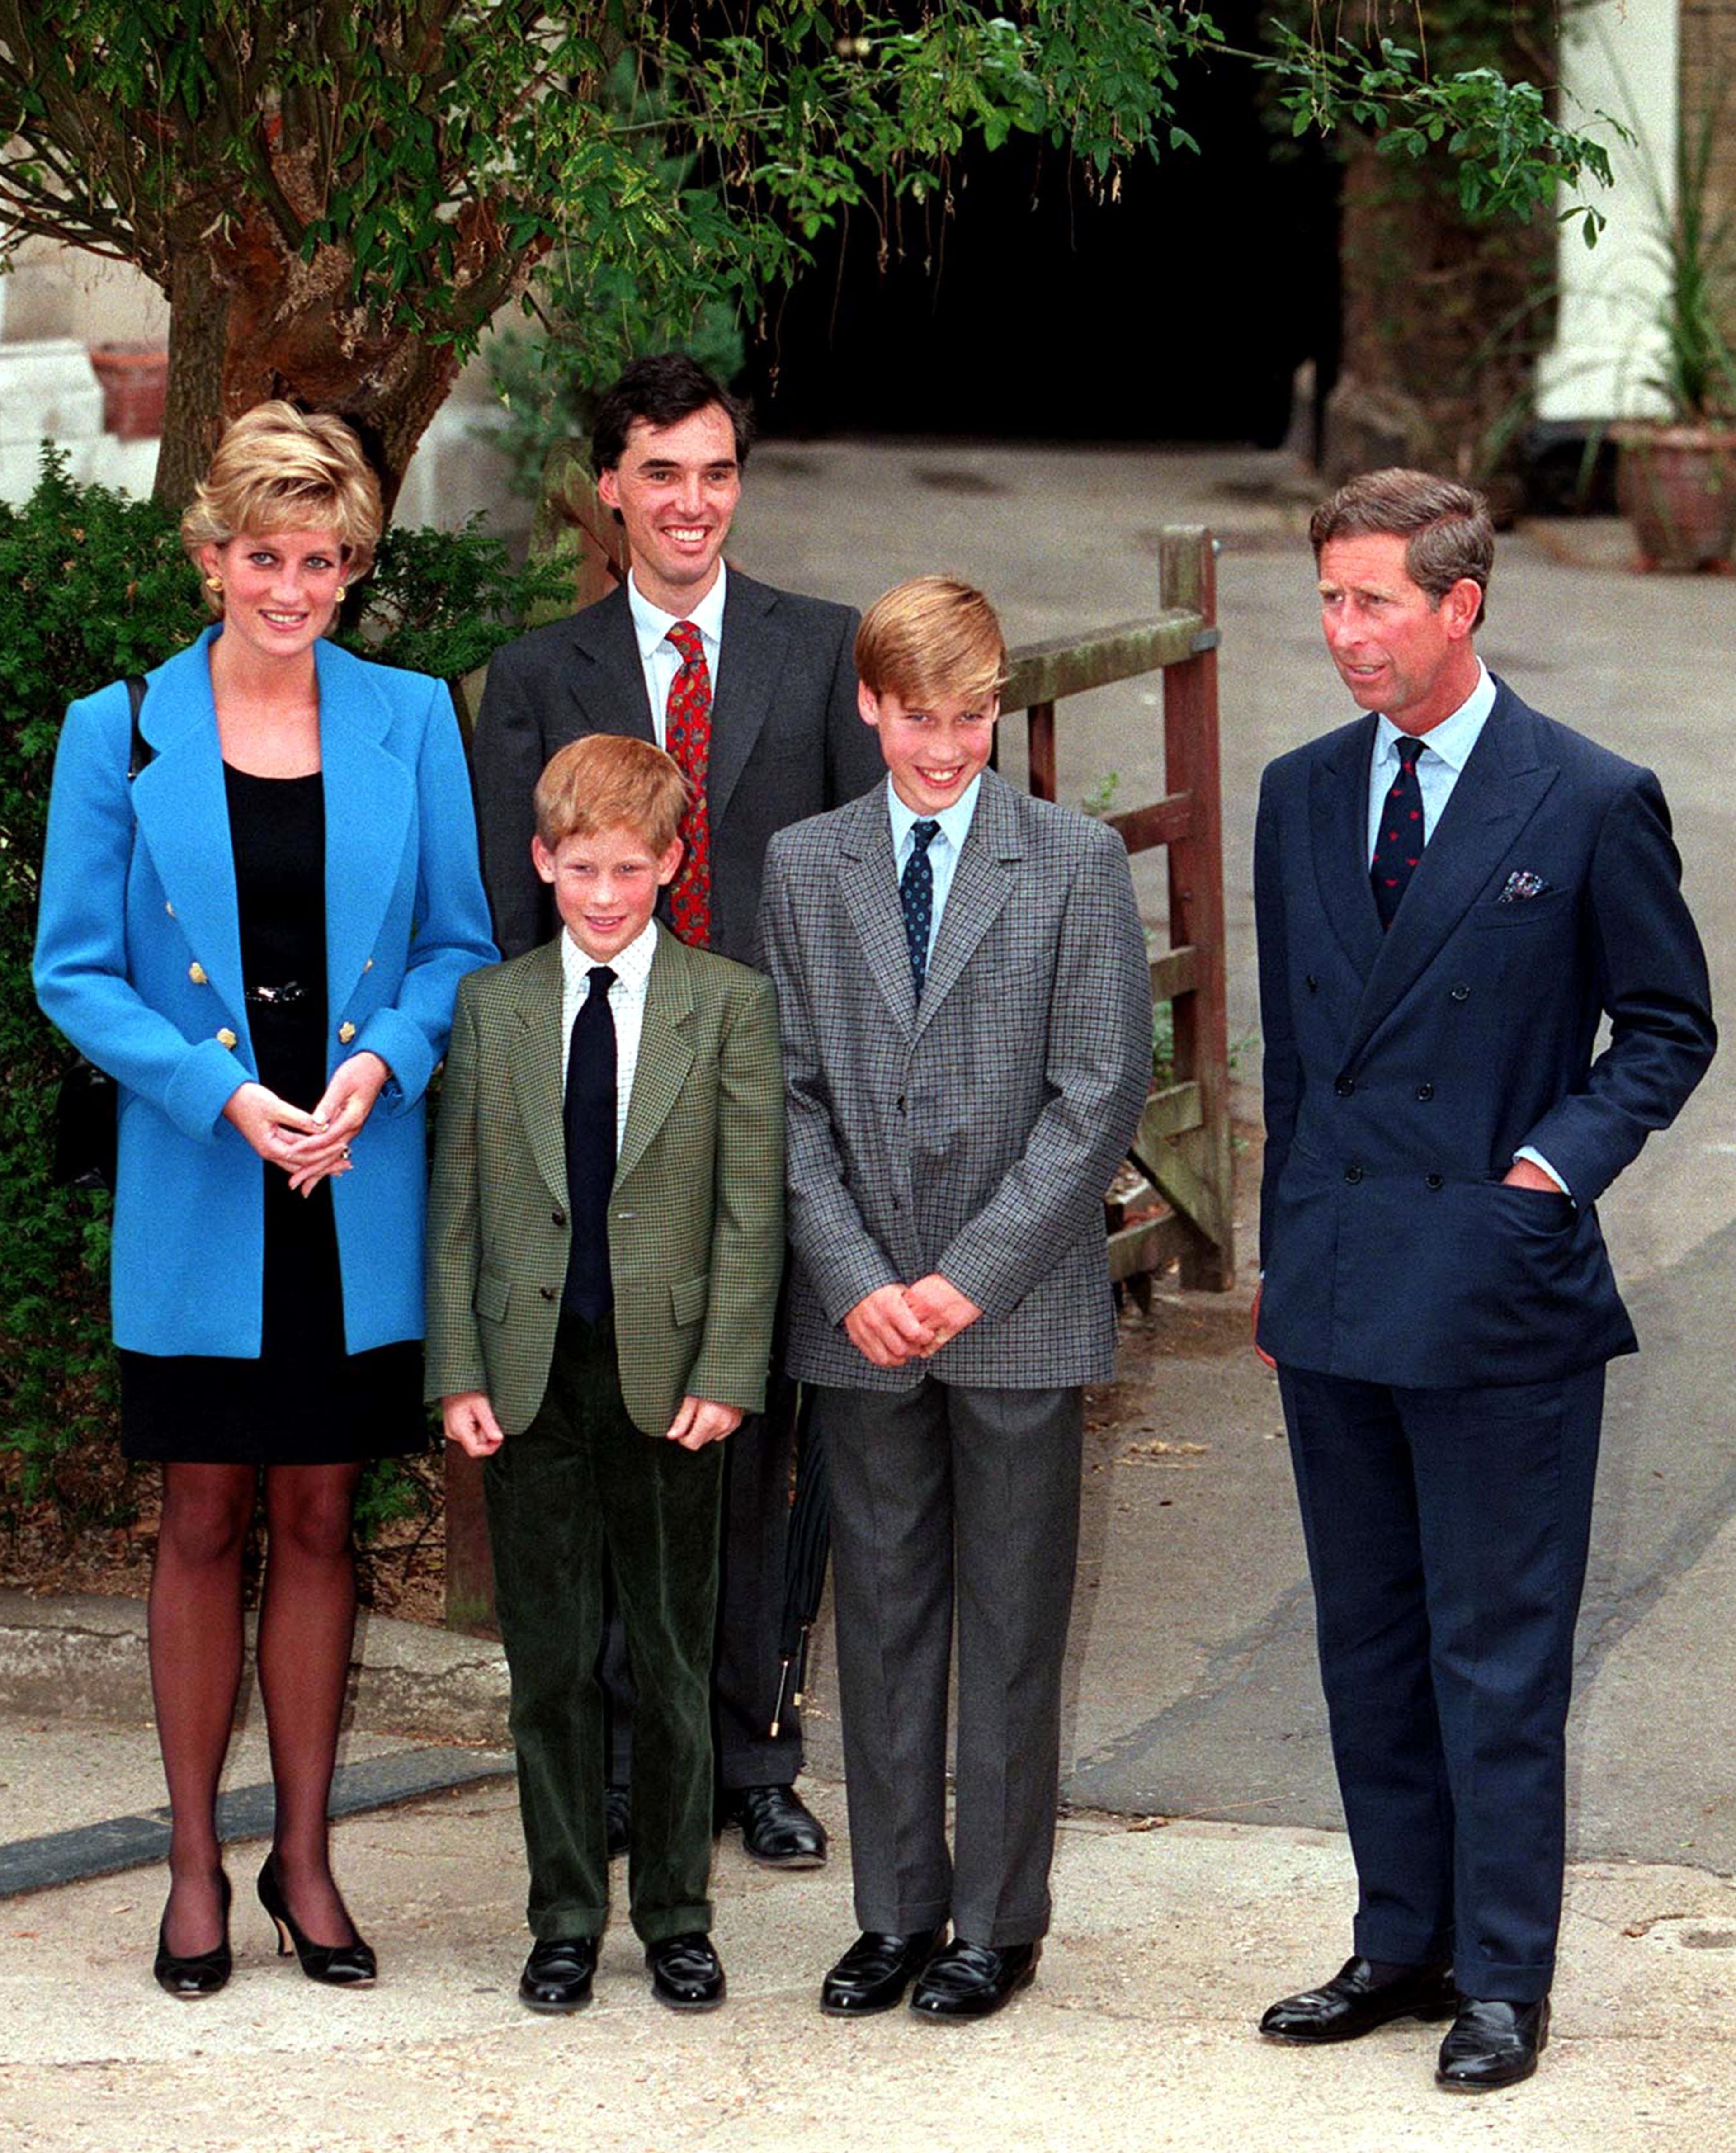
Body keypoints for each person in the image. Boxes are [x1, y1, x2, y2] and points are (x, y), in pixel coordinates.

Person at [1253, 469, 1715, 2091]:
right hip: (1340, 1279)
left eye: (1374, 600)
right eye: (1329, 600)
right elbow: (1301, 1059)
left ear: (1462, 605)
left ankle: (1504, 1975)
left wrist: (1549, 1168)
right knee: (1366, 1635)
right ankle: (1397, 1939)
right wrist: (1283, 1256)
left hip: (1500, 1291)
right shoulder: (1301, 790)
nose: (1343, 633)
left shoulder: (1586, 796)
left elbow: (1667, 1027)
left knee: (1496, 1647)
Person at [33, 401, 496, 1997]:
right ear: (210, 552)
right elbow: (73, 969)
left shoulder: (412, 716)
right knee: (202, 1516)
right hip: (202, 1177)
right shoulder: (124, 727)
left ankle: (304, 1856)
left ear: (354, 567)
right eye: (260, 555)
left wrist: (381, 1072)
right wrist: (219, 1093)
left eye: (321, 559)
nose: (289, 587)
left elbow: (455, 944)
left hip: (353, 1179)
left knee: (318, 1515)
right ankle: (187, 1862)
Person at [471, 352, 882, 1867]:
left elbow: (849, 892)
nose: (691, 503)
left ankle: (756, 1745)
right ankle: (639, 1756)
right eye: (662, 473)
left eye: (715, 472)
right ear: (612, 490)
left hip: (771, 1102)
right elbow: (522, 922)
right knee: (635, 1421)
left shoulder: (818, 646)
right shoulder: (537, 675)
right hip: (606, 1119)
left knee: (759, 1433)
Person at [758, 576, 1152, 2021]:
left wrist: (963, 1278)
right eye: (920, 717)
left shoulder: (1074, 858)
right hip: (858, 1312)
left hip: (1018, 1302)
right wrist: (861, 1278)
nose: (946, 746)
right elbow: (786, 1095)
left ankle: (996, 1918)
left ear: (1004, 706)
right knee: (880, 1610)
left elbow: (1101, 1093)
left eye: (974, 717)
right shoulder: (806, 865)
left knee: (1010, 1613)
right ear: (869, 705)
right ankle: (895, 1908)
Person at [425, 733, 786, 2013]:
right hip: (531, 1378)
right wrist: (456, 1367)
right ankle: (566, 1908)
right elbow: (456, 1203)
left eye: (630, 869)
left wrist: (732, 1366)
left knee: (678, 1656)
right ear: (540, 861)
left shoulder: (728, 1003)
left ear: (674, 864)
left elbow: (753, 1213)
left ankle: (678, 1912)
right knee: (554, 1661)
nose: (603, 895)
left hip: (673, 1377)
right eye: (580, 868)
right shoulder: (495, 1006)